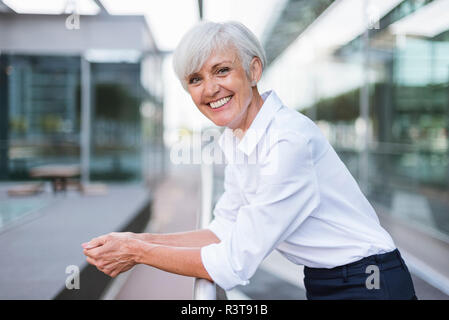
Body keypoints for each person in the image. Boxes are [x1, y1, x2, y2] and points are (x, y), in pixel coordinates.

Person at [82, 21, 417, 300]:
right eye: (195, 79)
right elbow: (223, 230)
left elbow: (233, 263)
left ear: (253, 70)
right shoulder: (237, 138)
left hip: (369, 282)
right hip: (324, 280)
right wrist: (141, 240)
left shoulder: (287, 141)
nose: (210, 88)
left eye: (222, 70)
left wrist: (136, 253)